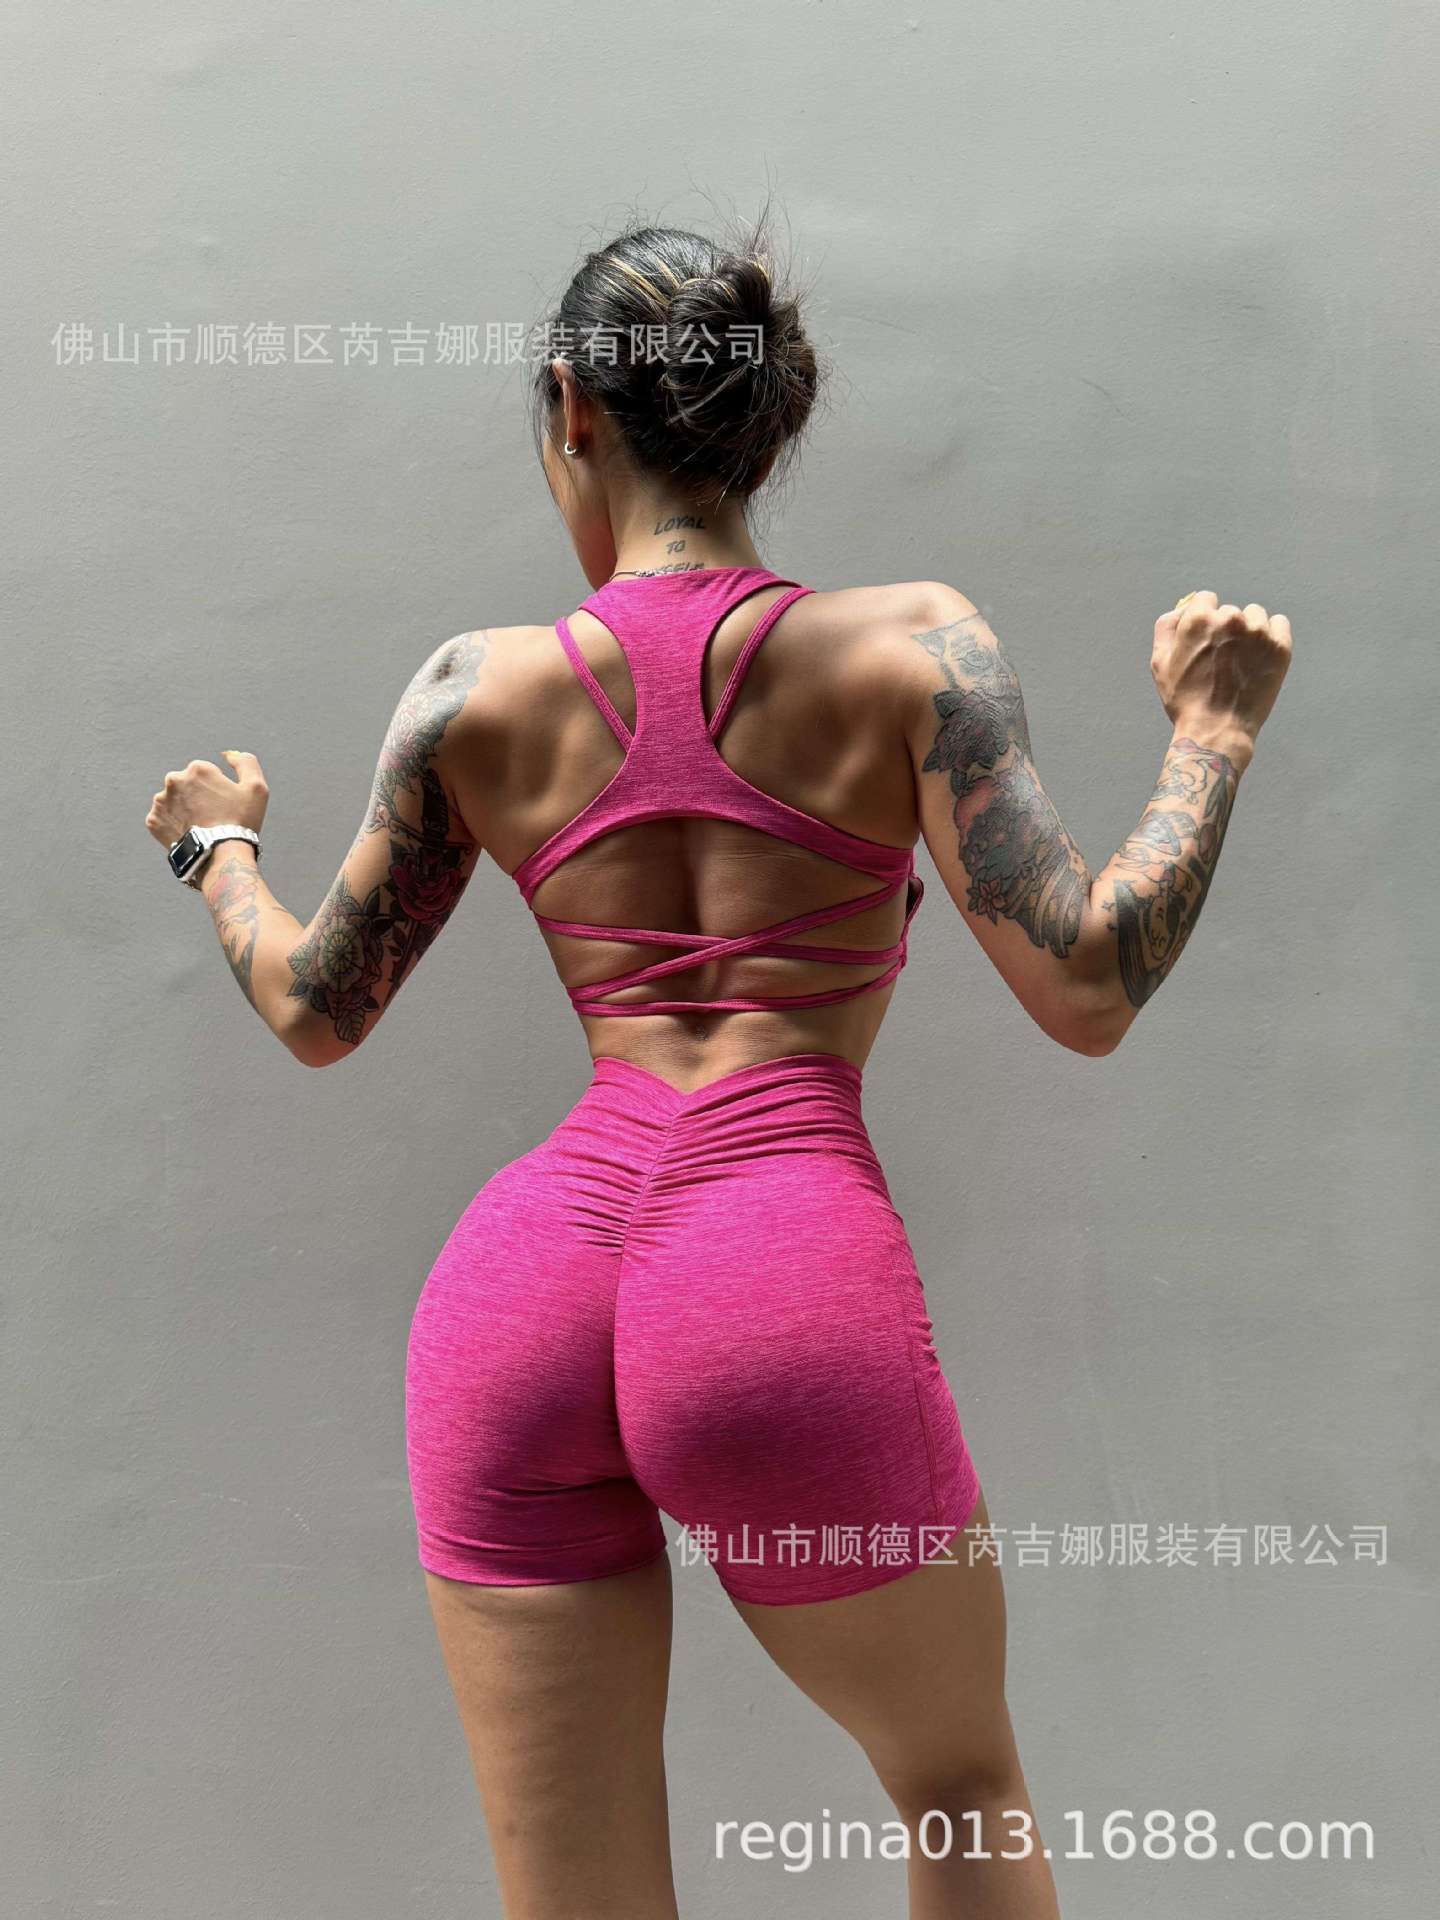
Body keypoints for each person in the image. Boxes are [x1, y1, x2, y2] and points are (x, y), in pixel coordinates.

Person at [144, 213, 1292, 1919]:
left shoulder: (469, 694)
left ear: (570, 405)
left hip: (527, 1291)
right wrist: (1212, 733)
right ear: (766, 419)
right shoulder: (912, 653)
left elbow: (317, 1006)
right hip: (772, 1270)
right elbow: (1090, 983)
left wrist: (218, 851)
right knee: (959, 1789)